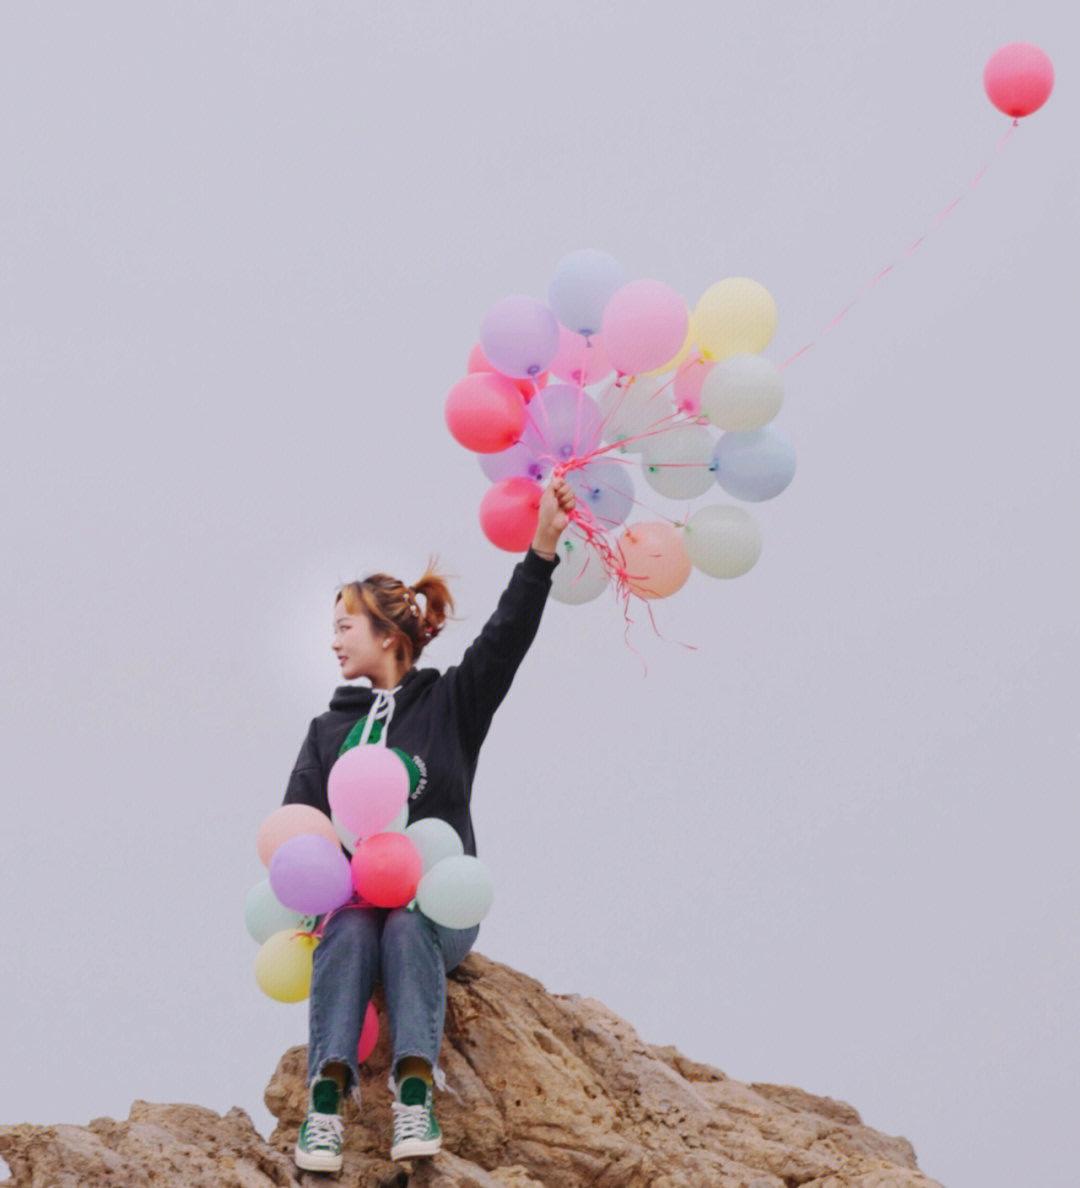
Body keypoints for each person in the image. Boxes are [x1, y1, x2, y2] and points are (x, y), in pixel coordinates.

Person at [281, 475, 576, 1173]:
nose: (334, 643)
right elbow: (299, 828)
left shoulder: (451, 704)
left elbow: (506, 639)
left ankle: (416, 1095)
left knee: (407, 924)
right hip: (352, 905)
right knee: (352, 926)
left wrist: (541, 549)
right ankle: (324, 1105)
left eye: (344, 627)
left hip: (437, 906)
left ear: (386, 636)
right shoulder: (328, 730)